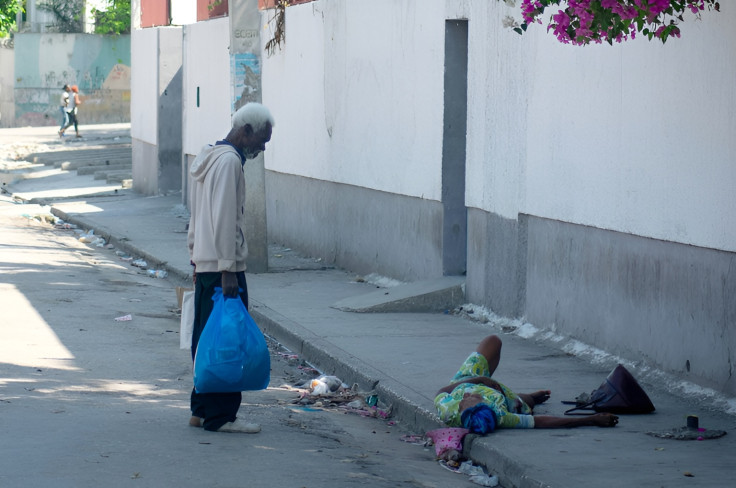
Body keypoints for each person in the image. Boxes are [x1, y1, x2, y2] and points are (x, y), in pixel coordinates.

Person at [187, 102, 274, 433]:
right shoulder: (228, 164)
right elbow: (224, 219)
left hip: (207, 262)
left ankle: (201, 409)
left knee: (207, 337)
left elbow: (196, 217)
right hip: (223, 267)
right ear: (245, 131)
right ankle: (221, 415)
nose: (262, 148)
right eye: (261, 140)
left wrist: (196, 256)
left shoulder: (211, 158)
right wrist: (227, 269)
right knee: (227, 341)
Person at [435, 335, 619, 433]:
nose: (470, 395)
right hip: (506, 396)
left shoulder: (449, 410)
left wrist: (480, 380)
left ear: (463, 409)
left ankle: (521, 395)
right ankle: (530, 397)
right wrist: (592, 420)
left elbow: (442, 390)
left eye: (469, 398)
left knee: (493, 341)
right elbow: (542, 422)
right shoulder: (501, 416)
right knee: (524, 404)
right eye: (476, 398)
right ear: (486, 406)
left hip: (465, 380)